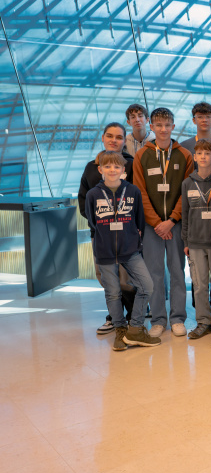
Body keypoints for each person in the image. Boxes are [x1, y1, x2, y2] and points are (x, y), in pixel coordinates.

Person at [85, 151, 159, 351]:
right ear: (100, 170)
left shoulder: (133, 191)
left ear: (123, 170)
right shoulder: (93, 194)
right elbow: (92, 222)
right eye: (107, 167)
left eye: (116, 167)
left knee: (147, 286)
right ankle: (120, 330)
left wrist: (134, 241)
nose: (112, 170)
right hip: (105, 251)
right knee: (113, 293)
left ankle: (135, 328)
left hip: (130, 249)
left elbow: (139, 220)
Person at [133, 107, 194, 338]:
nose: (163, 129)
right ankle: (158, 319)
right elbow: (140, 191)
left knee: (178, 271)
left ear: (173, 127)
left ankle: (178, 318)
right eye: (158, 125)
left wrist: (172, 220)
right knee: (154, 273)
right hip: (152, 227)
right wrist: (157, 222)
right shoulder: (143, 155)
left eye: (167, 125)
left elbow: (186, 191)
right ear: (151, 127)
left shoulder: (184, 156)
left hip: (176, 225)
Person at [78, 122, 137, 334]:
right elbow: (83, 200)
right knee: (105, 276)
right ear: (103, 138)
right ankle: (114, 316)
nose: (114, 140)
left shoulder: (132, 165)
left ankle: (132, 318)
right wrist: (99, 226)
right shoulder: (91, 167)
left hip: (126, 234)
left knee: (126, 277)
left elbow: (138, 198)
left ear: (124, 141)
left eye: (119, 137)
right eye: (110, 136)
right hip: (101, 234)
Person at [181, 139, 211, 340]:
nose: (204, 157)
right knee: (199, 285)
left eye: (208, 154)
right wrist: (186, 242)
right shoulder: (187, 182)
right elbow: (185, 213)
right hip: (196, 243)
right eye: (200, 154)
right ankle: (203, 321)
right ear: (195, 157)